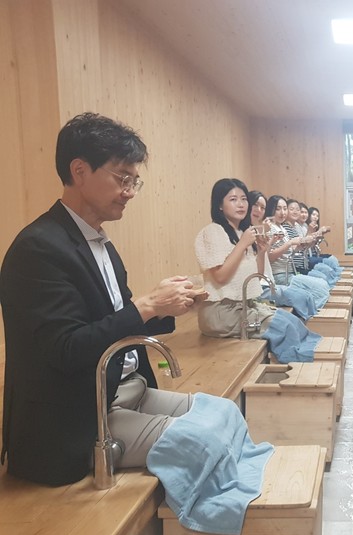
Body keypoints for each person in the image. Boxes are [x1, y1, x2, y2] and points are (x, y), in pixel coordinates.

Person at [0, 113, 201, 486]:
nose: (130, 191)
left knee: (222, 415)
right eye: (122, 178)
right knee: (203, 441)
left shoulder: (99, 242)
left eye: (134, 181)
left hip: (122, 391)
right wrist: (148, 305)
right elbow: (66, 348)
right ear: (79, 171)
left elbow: (113, 321)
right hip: (77, 417)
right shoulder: (38, 247)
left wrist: (171, 305)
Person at [194, 179, 274, 338]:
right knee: (283, 327)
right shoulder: (212, 231)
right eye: (233, 199)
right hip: (220, 312)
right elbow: (220, 277)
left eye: (244, 199)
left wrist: (261, 252)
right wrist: (242, 244)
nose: (241, 204)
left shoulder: (242, 232)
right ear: (220, 205)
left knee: (288, 321)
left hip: (243, 307)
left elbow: (256, 278)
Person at [264, 195, 304, 284]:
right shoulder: (270, 228)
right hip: (279, 274)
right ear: (271, 209)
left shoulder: (281, 227)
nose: (282, 213)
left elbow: (286, 254)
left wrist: (296, 249)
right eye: (278, 209)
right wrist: (290, 243)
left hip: (288, 272)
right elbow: (269, 257)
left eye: (285, 209)